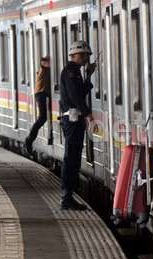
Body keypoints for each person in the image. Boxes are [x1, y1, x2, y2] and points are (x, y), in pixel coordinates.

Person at [59, 41, 96, 210]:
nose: (86, 59)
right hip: (72, 120)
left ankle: (68, 196)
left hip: (74, 120)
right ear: (76, 55)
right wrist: (88, 112)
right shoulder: (71, 71)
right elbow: (75, 96)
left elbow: (79, 93)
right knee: (71, 158)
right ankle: (66, 197)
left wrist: (88, 77)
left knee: (73, 158)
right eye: (84, 56)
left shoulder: (75, 72)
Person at [25, 56, 51, 154]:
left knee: (42, 118)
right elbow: (43, 65)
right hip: (41, 94)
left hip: (42, 94)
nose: (48, 63)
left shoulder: (45, 70)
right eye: (45, 62)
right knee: (42, 117)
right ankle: (29, 139)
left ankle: (29, 140)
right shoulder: (43, 69)